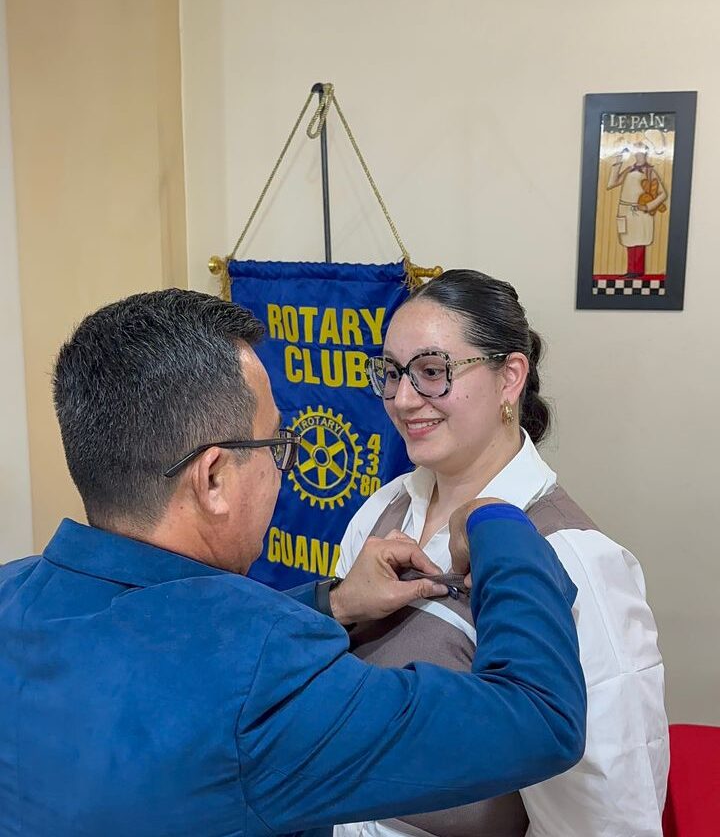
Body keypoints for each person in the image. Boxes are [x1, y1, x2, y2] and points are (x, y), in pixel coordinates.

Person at [0, 289, 586, 837]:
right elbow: (538, 719)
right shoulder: (258, 673)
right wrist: (497, 521)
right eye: (276, 446)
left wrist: (333, 602)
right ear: (213, 478)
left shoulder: (12, 592)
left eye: (433, 372)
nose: (406, 399)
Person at [337, 270, 668, 837]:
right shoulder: (381, 512)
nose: (403, 399)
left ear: (510, 377)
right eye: (391, 373)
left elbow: (607, 819)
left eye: (433, 372)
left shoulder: (573, 559)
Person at [607, 139, 668, 279]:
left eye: (641, 150)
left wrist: (648, 206)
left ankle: (638, 270)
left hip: (640, 211)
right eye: (636, 150)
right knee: (628, 239)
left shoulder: (650, 171)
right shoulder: (629, 169)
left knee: (640, 239)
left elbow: (663, 194)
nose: (638, 153)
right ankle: (630, 269)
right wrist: (618, 161)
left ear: (646, 153)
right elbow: (611, 183)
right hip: (625, 210)